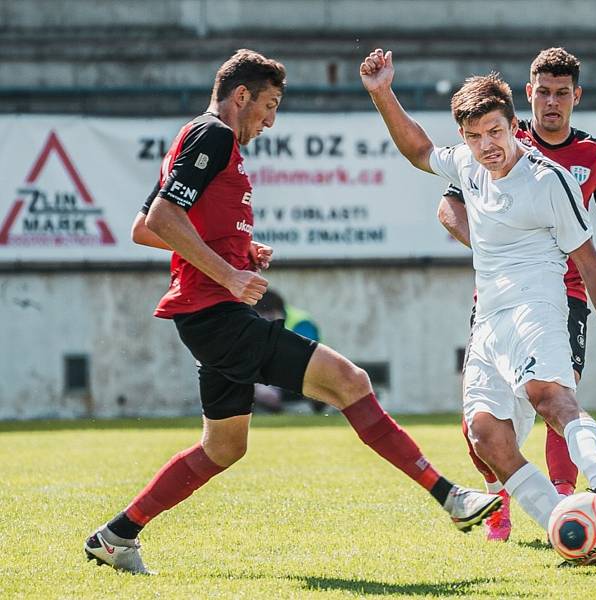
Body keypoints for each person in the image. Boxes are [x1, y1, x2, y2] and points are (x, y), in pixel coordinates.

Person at [84, 49, 501, 575]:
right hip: (217, 314)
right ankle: (450, 498)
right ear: (242, 96)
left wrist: (238, 253)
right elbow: (163, 218)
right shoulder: (213, 135)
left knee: (223, 447)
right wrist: (229, 274)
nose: (271, 119)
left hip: (207, 317)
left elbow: (144, 226)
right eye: (269, 105)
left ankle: (116, 535)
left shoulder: (199, 137)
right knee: (350, 381)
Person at [360, 48, 596, 545]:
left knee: (550, 398)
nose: (486, 145)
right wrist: (382, 92)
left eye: (495, 132)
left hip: (539, 306)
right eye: (474, 136)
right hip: (488, 319)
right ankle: (565, 524)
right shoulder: (468, 166)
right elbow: (418, 151)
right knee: (484, 435)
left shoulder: (548, 180)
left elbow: (588, 264)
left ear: (513, 125)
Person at [437, 47, 596, 542]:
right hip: (497, 296)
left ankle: (576, 507)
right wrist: (498, 245)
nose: (551, 102)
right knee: (481, 430)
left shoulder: (595, 155)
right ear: (528, 93)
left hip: (563, 294)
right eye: (542, 92)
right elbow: (448, 209)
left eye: (561, 93)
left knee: (554, 397)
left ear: (576, 96)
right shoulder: (497, 138)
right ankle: (504, 497)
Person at [252, 289, 326, 413]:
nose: (266, 321)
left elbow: (306, 358)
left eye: (269, 316)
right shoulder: (252, 324)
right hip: (271, 380)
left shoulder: (301, 322)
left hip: (303, 376)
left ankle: (313, 410)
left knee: (315, 386)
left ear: (278, 312)